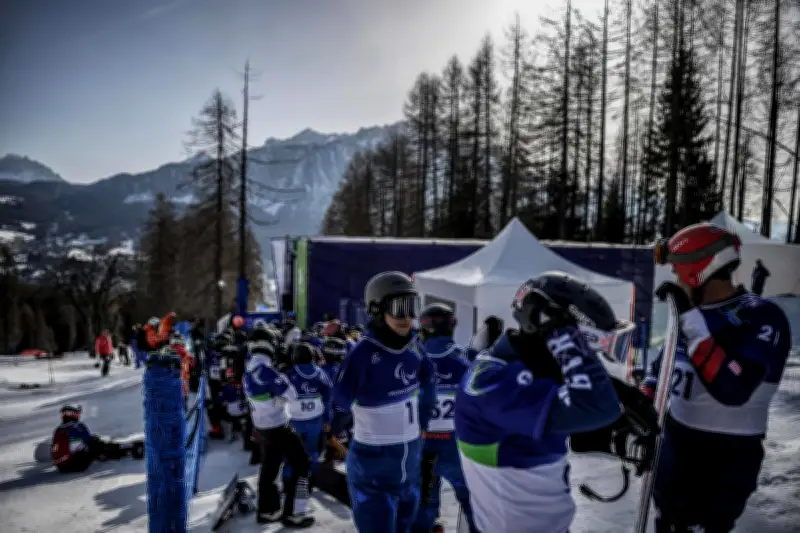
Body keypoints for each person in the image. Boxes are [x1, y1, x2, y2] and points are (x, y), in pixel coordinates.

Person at [644, 222, 791, 533]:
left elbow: (733, 387)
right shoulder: (691, 316)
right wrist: (639, 410)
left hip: (720, 463)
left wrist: (690, 321)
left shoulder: (761, 315)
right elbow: (660, 372)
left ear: (699, 271)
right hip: (675, 452)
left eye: (677, 271)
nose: (675, 280)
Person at [454, 271, 628, 533]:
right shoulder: (493, 381)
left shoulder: (531, 370)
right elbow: (597, 406)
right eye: (583, 349)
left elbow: (582, 400)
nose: (591, 358)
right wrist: (561, 332)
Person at [332, 271, 437, 533]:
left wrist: (423, 423)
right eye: (399, 309)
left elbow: (429, 381)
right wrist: (335, 429)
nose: (407, 318)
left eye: (412, 308)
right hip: (374, 463)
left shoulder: (414, 347)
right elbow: (339, 401)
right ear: (377, 309)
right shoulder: (363, 354)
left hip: (409, 461)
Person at [413, 303, 475, 533]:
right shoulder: (467, 359)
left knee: (423, 505)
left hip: (422, 445)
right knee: (473, 504)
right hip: (457, 446)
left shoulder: (411, 359)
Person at [243, 337, 315, 528]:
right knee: (302, 463)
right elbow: (291, 394)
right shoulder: (264, 371)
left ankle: (266, 510)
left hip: (263, 426)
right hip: (277, 425)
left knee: (270, 467)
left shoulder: (248, 371)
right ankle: (294, 513)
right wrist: (281, 392)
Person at [284, 343, 333, 488]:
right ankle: (310, 479)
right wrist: (327, 420)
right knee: (312, 451)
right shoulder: (321, 374)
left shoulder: (288, 374)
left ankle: (288, 480)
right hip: (315, 420)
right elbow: (328, 400)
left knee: (291, 452)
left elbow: (279, 399)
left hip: (293, 421)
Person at [51, 405, 141, 472]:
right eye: (77, 413)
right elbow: (88, 440)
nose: (79, 415)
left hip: (61, 467)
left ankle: (108, 453)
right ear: (73, 414)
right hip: (76, 464)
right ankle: (127, 450)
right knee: (97, 444)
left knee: (91, 445)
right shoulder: (77, 426)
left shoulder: (59, 429)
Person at [220, 368, 249, 442]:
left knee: (223, 414)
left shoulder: (226, 387)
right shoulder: (242, 384)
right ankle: (242, 428)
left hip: (232, 411)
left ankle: (229, 435)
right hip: (243, 410)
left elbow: (221, 399)